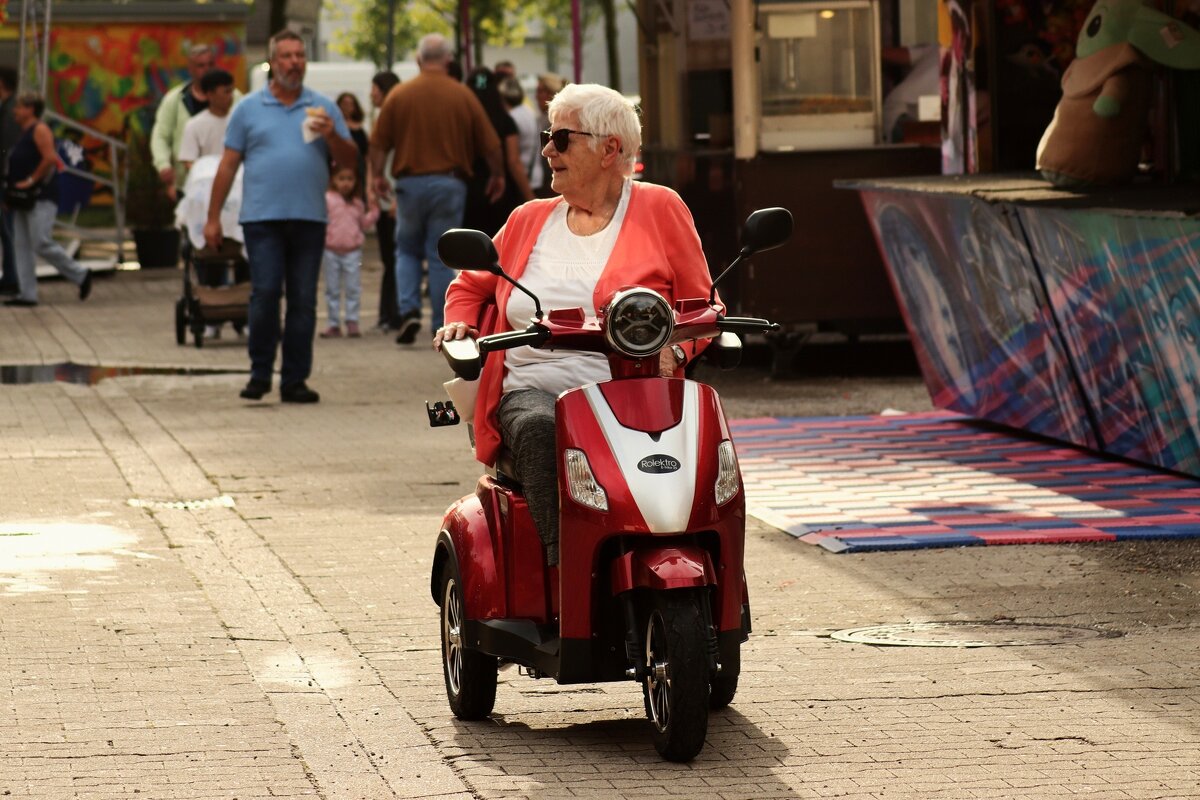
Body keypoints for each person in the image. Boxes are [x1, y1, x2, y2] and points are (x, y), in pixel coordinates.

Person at [433, 83, 715, 566]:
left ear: (610, 149)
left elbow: (703, 307)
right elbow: (469, 286)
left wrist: (678, 350)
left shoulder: (661, 207)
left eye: (561, 139)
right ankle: (567, 568)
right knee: (542, 427)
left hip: (637, 397)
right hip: (533, 392)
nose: (546, 150)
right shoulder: (528, 219)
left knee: (709, 454)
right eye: (547, 136)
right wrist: (459, 325)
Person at [204, 30, 357, 404]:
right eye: (287, 56)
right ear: (273, 62)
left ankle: (294, 380)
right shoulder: (248, 108)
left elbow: (351, 161)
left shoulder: (323, 108)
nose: (295, 62)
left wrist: (334, 135)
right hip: (262, 218)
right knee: (266, 294)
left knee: (303, 300)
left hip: (309, 218)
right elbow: (227, 166)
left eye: (300, 56)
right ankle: (259, 374)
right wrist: (211, 219)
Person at [368, 32, 504, 345]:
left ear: (418, 60)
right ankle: (441, 320)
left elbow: (378, 142)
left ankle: (408, 310)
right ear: (448, 60)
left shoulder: (400, 95)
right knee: (443, 253)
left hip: (409, 183)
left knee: (407, 249)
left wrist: (376, 174)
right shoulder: (462, 95)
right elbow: (491, 143)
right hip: (449, 183)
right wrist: (497, 174)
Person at [3, 93, 92, 307]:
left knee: (40, 241)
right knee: (21, 244)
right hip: (21, 199)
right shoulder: (22, 133)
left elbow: (50, 159)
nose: (14, 111)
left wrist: (31, 180)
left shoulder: (40, 130)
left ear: (31, 109)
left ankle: (80, 274)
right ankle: (27, 293)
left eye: (19, 107)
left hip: (40, 197)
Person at [462, 67, 534, 237]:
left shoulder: (463, 121)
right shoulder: (505, 121)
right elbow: (513, 161)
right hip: (502, 192)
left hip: (469, 191)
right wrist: (529, 197)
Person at [151, 44, 219, 202]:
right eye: (201, 66)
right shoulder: (175, 100)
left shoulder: (232, 99)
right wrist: (163, 165)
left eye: (210, 64)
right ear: (191, 69)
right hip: (186, 183)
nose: (207, 70)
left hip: (223, 181)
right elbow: (160, 135)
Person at [320, 164, 378, 339]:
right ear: (333, 180)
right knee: (332, 289)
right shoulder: (327, 200)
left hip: (352, 251)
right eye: (341, 179)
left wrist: (374, 211)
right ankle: (333, 323)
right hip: (331, 250)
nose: (345, 183)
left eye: (349, 179)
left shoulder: (357, 204)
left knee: (353, 287)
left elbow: (364, 224)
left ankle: (352, 320)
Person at [368, 71, 401, 331]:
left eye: (375, 90)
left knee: (394, 258)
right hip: (385, 197)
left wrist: (397, 198)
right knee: (390, 259)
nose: (371, 95)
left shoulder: (393, 119)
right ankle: (389, 313)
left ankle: (394, 313)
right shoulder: (382, 117)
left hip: (393, 198)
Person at [179, 69, 237, 170]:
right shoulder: (194, 125)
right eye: (226, 92)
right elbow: (188, 161)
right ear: (210, 95)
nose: (230, 96)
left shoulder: (240, 120)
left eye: (231, 91)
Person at [499, 76, 542, 206]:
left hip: (521, 179)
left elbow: (513, 160)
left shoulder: (510, 118)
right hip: (536, 173)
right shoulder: (530, 112)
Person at [0, 67, 21, 296]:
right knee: (7, 230)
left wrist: (7, 183)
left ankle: (13, 278)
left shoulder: (10, 112)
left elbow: (7, 150)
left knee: (9, 230)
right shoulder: (7, 109)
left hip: (6, 180)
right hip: (6, 178)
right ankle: (10, 276)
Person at [532, 73, 566, 198]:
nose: (536, 96)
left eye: (541, 91)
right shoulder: (540, 119)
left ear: (551, 94)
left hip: (550, 182)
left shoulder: (554, 121)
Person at [335, 92, 369, 197]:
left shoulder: (360, 129)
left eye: (351, 104)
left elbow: (366, 152)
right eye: (344, 104)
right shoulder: (334, 127)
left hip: (359, 169)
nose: (347, 107)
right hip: (338, 168)